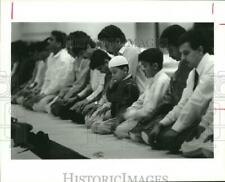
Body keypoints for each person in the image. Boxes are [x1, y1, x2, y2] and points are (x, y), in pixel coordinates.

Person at [145, 29, 214, 153]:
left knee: (181, 145)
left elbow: (195, 103)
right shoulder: (193, 73)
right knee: (163, 138)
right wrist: (161, 124)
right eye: (181, 53)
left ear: (200, 49)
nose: (182, 58)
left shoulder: (213, 66)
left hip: (213, 121)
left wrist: (175, 130)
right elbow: (183, 104)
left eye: (186, 53)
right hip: (201, 120)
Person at [130, 25, 192, 143]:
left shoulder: (187, 66)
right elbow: (169, 98)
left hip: (183, 112)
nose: (170, 54)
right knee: (139, 131)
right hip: (173, 110)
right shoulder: (182, 65)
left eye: (170, 49)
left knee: (157, 136)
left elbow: (182, 102)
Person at [114, 48, 170, 139]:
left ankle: (140, 133)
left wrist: (129, 115)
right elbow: (140, 100)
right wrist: (129, 111)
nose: (142, 70)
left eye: (145, 66)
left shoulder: (162, 81)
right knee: (119, 128)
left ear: (155, 66)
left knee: (120, 130)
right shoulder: (151, 79)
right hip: (141, 115)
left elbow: (150, 110)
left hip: (152, 118)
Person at [50, 31, 95, 119]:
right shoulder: (76, 60)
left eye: (70, 45)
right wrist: (62, 94)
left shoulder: (86, 60)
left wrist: (66, 97)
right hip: (77, 93)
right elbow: (73, 83)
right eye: (67, 46)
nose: (68, 49)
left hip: (84, 94)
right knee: (55, 107)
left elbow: (80, 85)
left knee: (62, 110)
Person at [91, 55, 140, 134]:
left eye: (114, 72)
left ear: (125, 70)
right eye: (111, 73)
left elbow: (124, 106)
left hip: (122, 116)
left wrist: (117, 119)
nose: (112, 76)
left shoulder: (130, 85)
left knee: (97, 127)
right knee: (92, 122)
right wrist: (110, 88)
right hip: (115, 111)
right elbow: (110, 98)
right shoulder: (119, 82)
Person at [32, 31, 75, 112]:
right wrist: (42, 93)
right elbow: (47, 79)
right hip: (50, 92)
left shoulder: (64, 58)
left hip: (60, 92)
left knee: (38, 105)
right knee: (30, 102)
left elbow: (60, 83)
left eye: (51, 40)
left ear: (58, 44)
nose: (48, 42)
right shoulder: (51, 56)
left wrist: (44, 94)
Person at [98, 25, 147, 93]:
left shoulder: (131, 51)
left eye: (107, 45)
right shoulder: (119, 55)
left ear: (118, 41)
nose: (106, 49)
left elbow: (124, 79)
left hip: (139, 97)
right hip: (128, 95)